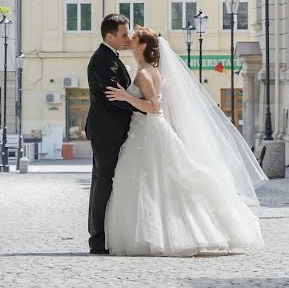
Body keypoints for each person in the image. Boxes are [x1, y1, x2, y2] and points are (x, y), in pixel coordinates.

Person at [102, 27, 266, 256]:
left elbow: (154, 107)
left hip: (148, 131)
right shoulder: (149, 70)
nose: (130, 39)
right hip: (145, 131)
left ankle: (167, 234)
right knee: (158, 183)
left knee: (154, 182)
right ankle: (157, 233)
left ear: (143, 46)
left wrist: (126, 96)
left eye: (135, 38)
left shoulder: (145, 73)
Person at [85, 14, 142, 255]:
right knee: (103, 183)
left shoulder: (110, 57)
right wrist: (143, 108)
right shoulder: (103, 60)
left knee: (103, 181)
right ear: (109, 36)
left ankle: (102, 235)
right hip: (107, 131)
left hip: (109, 130)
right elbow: (113, 95)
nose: (128, 38)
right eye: (123, 34)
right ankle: (98, 239)